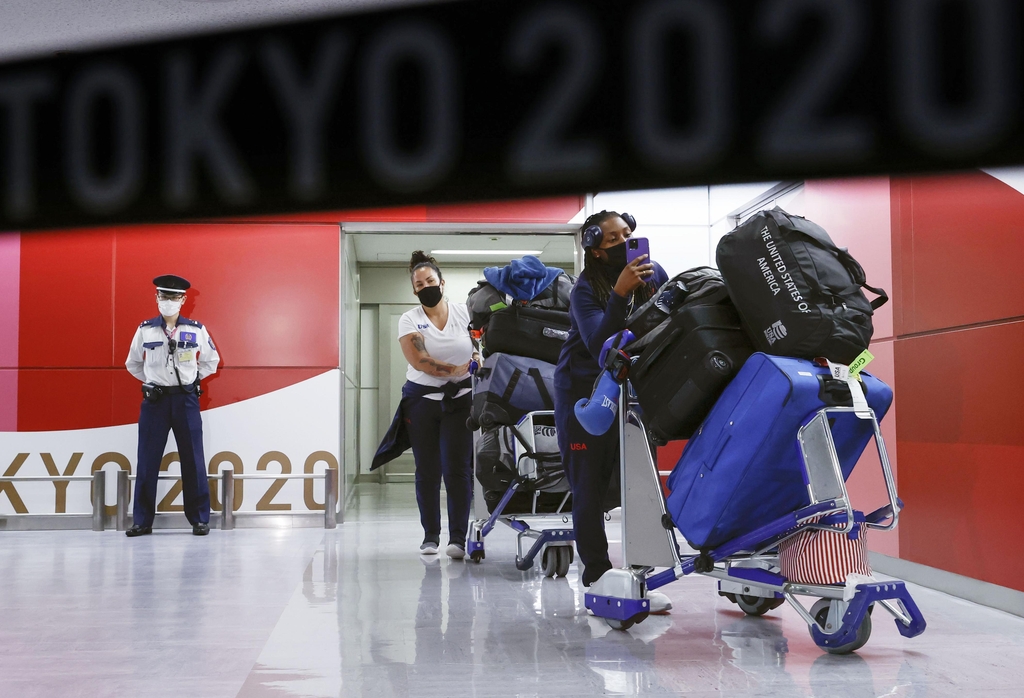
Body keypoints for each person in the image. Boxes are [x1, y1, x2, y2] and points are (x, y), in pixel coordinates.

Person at [554, 211, 672, 610]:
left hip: (633, 391)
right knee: (588, 483)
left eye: (628, 233)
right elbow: (598, 345)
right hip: (584, 393)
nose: (625, 242)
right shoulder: (584, 289)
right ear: (597, 251)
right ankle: (598, 578)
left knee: (640, 482)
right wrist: (620, 294)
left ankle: (638, 580)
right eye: (613, 239)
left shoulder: (654, 274)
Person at [389, 251, 479, 558]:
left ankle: (458, 538)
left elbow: (482, 348)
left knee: (458, 469)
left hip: (460, 403)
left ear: (442, 282)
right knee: (427, 470)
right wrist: (459, 369)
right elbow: (421, 361)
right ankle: (430, 535)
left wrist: (476, 362)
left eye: (430, 280)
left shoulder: (465, 313)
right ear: (414, 290)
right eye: (419, 283)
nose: (426, 286)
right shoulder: (409, 319)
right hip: (422, 403)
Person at [124, 274, 220, 537]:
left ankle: (199, 519)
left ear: (183, 300)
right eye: (164, 296)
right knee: (147, 461)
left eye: (174, 297)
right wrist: (152, 381)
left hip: (186, 400)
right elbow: (132, 363)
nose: (168, 301)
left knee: (193, 460)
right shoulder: (145, 330)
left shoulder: (196, 330)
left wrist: (192, 380)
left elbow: (211, 361)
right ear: (157, 298)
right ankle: (142, 521)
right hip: (155, 402)